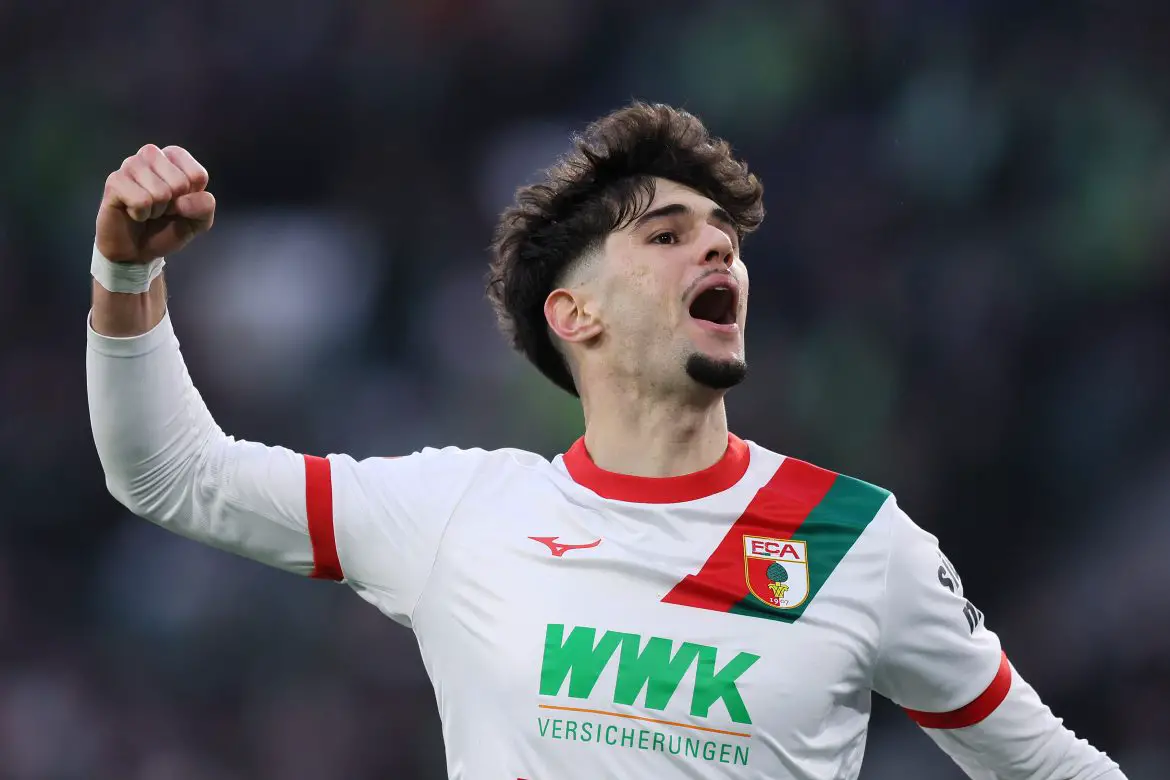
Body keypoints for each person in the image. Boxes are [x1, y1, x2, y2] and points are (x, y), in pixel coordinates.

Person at [86, 103, 1125, 779]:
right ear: (573, 315)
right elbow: (171, 473)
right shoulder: (466, 513)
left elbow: (1047, 768)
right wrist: (126, 274)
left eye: (720, 236)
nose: (715, 244)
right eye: (666, 236)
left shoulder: (847, 537)